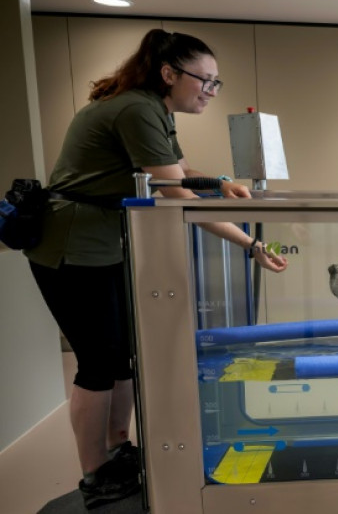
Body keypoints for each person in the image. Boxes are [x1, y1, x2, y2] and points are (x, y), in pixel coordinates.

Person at [23, 29, 288, 509]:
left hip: (103, 245)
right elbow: (176, 196)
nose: (210, 90)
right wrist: (251, 243)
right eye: (204, 81)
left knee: (123, 351)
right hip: (71, 248)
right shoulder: (137, 108)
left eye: (215, 83)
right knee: (98, 361)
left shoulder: (155, 109)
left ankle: (118, 445)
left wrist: (221, 182)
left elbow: (179, 171)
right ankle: (95, 472)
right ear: (169, 74)